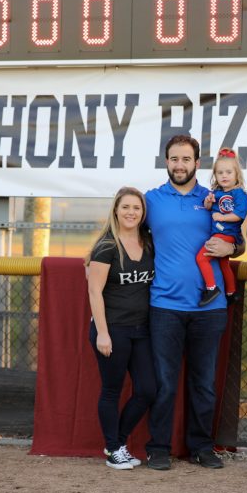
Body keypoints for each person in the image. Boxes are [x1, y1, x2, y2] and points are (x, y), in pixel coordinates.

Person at [144, 135, 240, 471]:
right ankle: (158, 447)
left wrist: (234, 249)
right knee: (164, 382)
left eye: (186, 159)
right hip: (164, 305)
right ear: (166, 161)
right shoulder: (151, 200)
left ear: (197, 163)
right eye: (174, 159)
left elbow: (237, 238)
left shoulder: (215, 198)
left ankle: (201, 446)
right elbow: (126, 233)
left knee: (203, 382)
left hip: (208, 308)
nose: (180, 165)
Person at [86, 187, 156, 470]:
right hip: (113, 329)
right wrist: (102, 333)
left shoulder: (149, 242)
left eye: (136, 208)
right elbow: (94, 292)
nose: (131, 212)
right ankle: (114, 449)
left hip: (142, 329)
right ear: (116, 210)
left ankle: (118, 442)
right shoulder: (106, 246)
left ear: (143, 213)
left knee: (148, 390)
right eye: (125, 207)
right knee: (112, 390)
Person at [196, 147, 247, 306]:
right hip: (218, 233)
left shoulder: (238, 194)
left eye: (228, 172)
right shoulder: (216, 193)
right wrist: (208, 203)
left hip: (226, 234)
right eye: (220, 173)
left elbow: (239, 215)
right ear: (215, 175)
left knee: (201, 258)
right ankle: (231, 292)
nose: (224, 176)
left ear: (237, 174)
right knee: (223, 263)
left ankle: (211, 288)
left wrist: (222, 217)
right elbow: (209, 209)